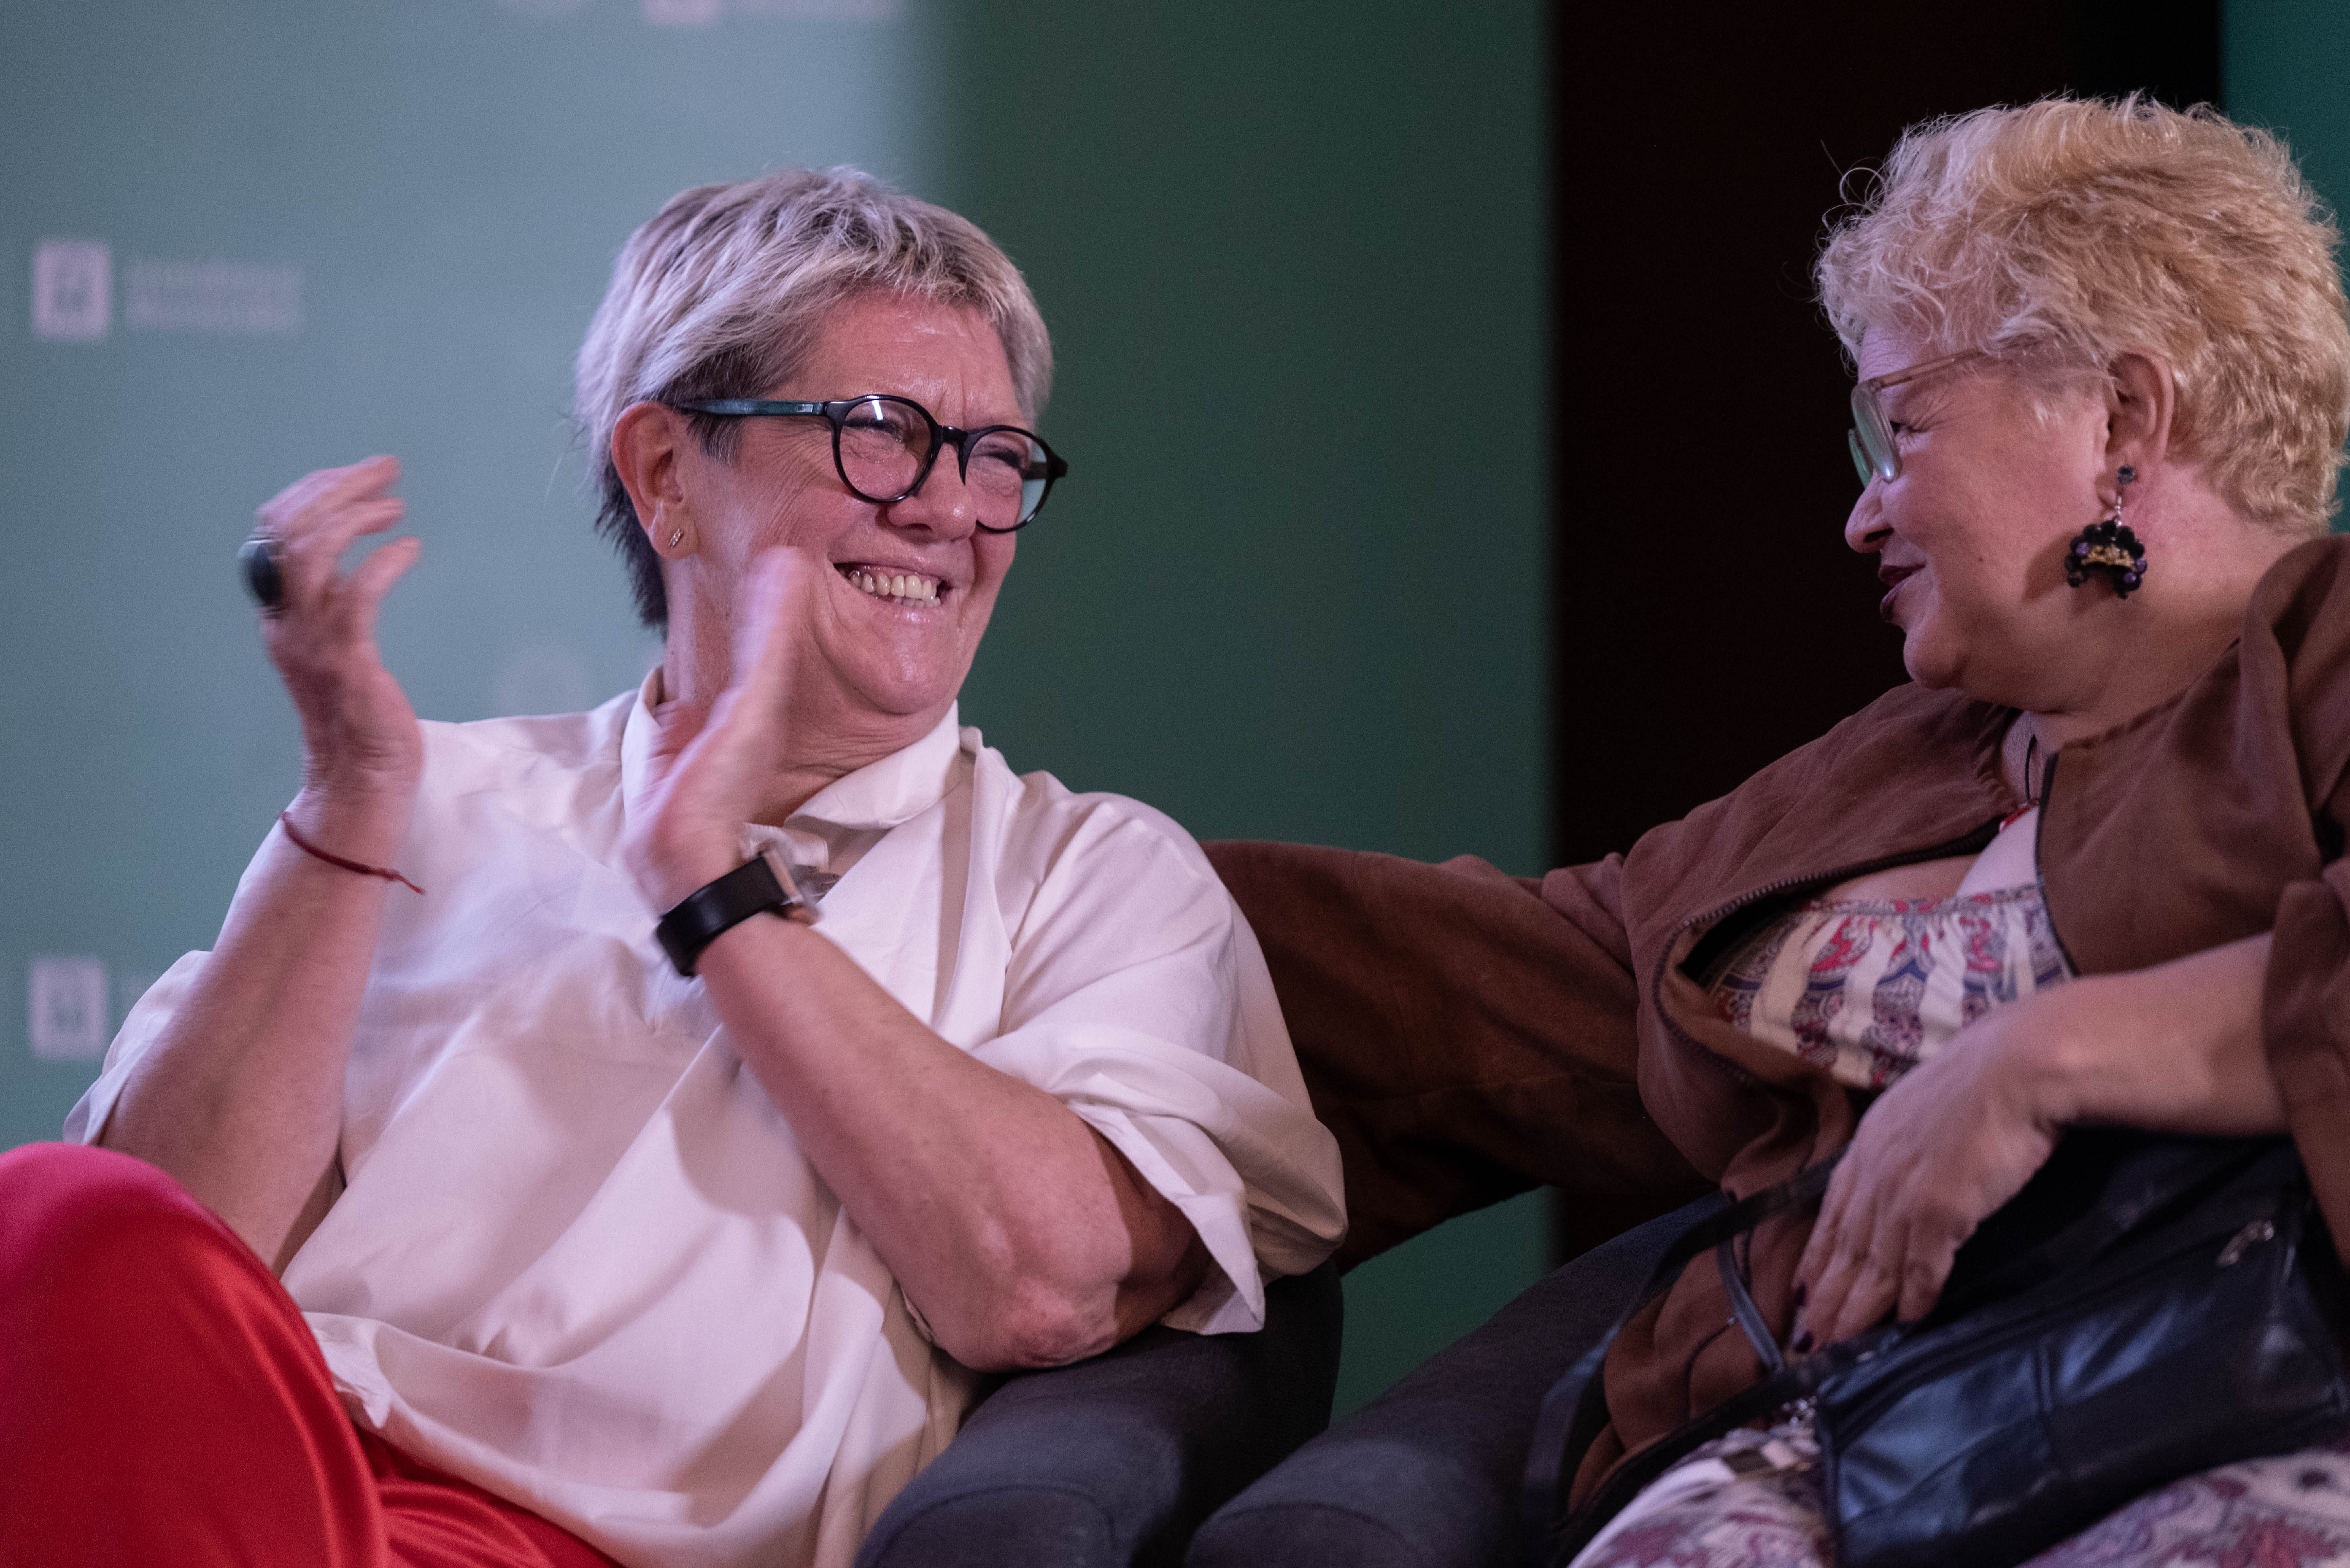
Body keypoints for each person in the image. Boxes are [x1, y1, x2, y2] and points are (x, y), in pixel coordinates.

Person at [0, 168, 1344, 1568]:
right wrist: (346, 808)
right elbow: (163, 1254)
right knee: (54, 1209)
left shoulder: (1090, 878)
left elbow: (1042, 1287)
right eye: (883, 435)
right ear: (664, 476)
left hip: (577, 1546)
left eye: (995, 454)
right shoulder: (421, 798)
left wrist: (714, 889)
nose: (952, 508)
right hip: (262, 1479)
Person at [1194, 96, 2350, 1566]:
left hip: (2275, 1421)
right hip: (1844, 1454)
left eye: (1901, 428)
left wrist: (2042, 1059)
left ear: (2120, 419)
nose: (1863, 515)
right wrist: (1034, 875)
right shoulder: (1890, 762)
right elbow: (1480, 988)